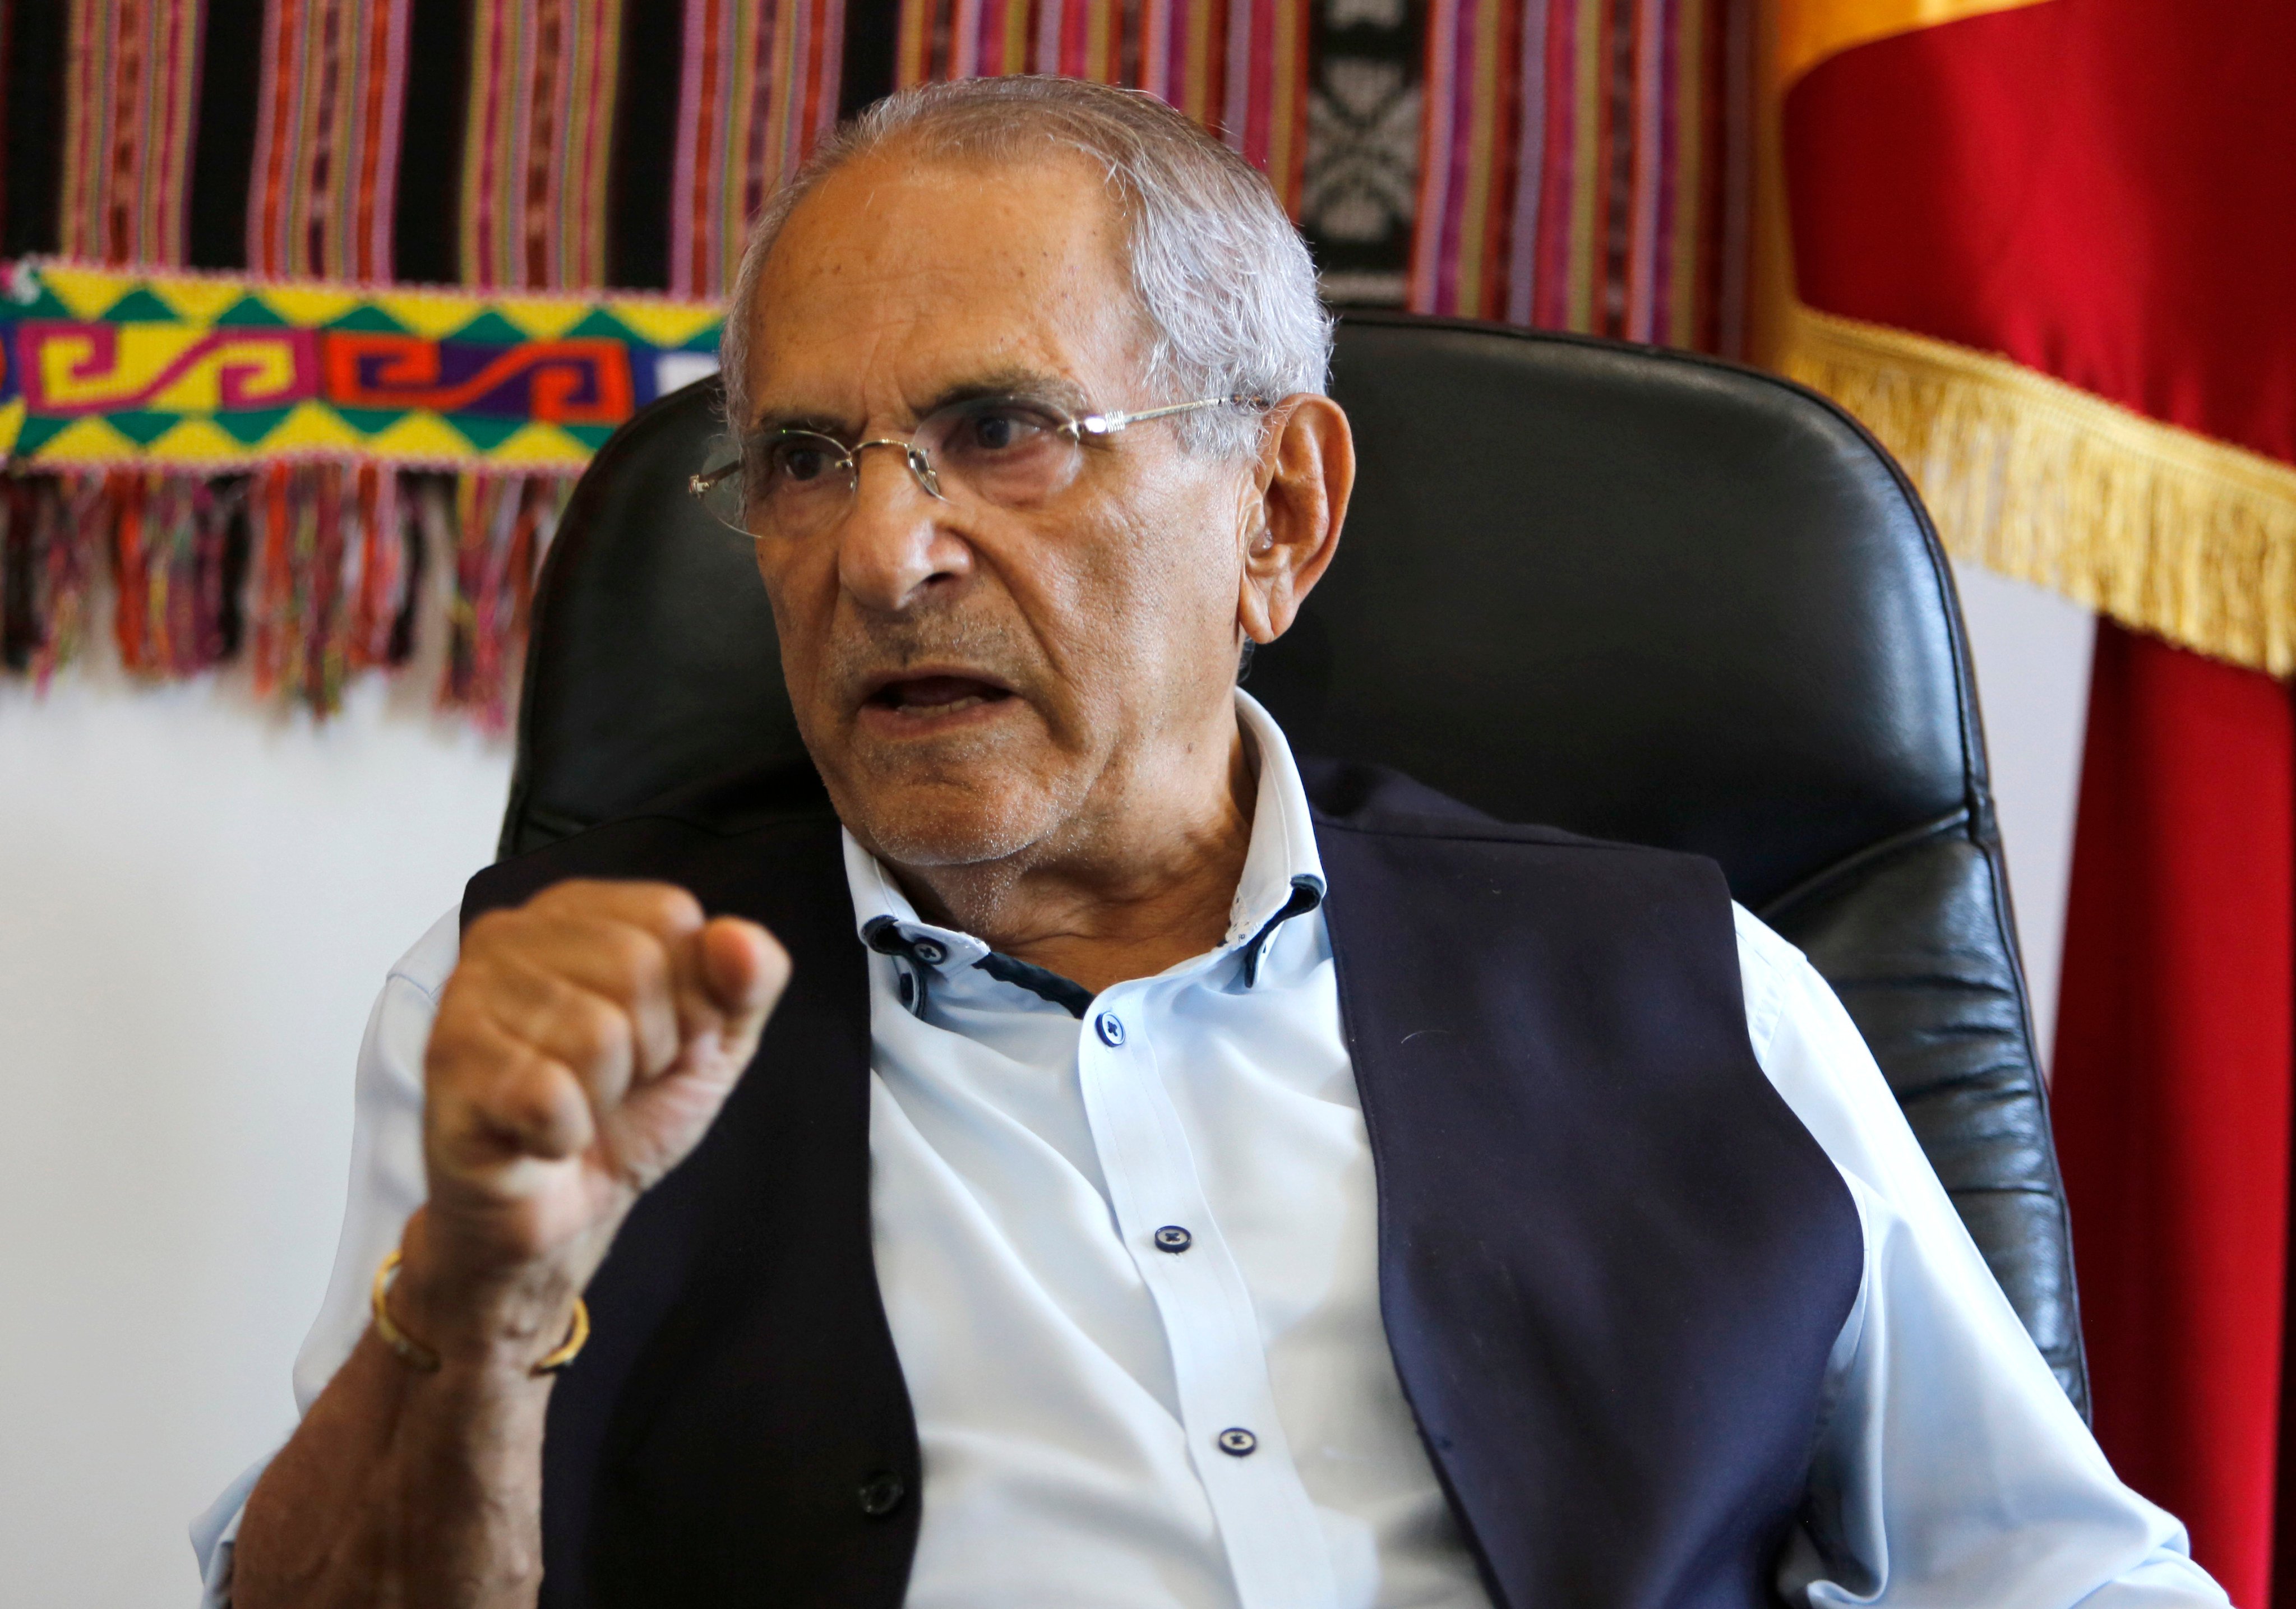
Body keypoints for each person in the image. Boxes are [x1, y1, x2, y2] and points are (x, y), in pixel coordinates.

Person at [196, 75, 2224, 1609]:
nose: (883, 555)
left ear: (1277, 513)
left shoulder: (1699, 991)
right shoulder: (554, 1021)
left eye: (1004, 432)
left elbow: (2061, 1576)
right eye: (808, 462)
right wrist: (470, 1295)